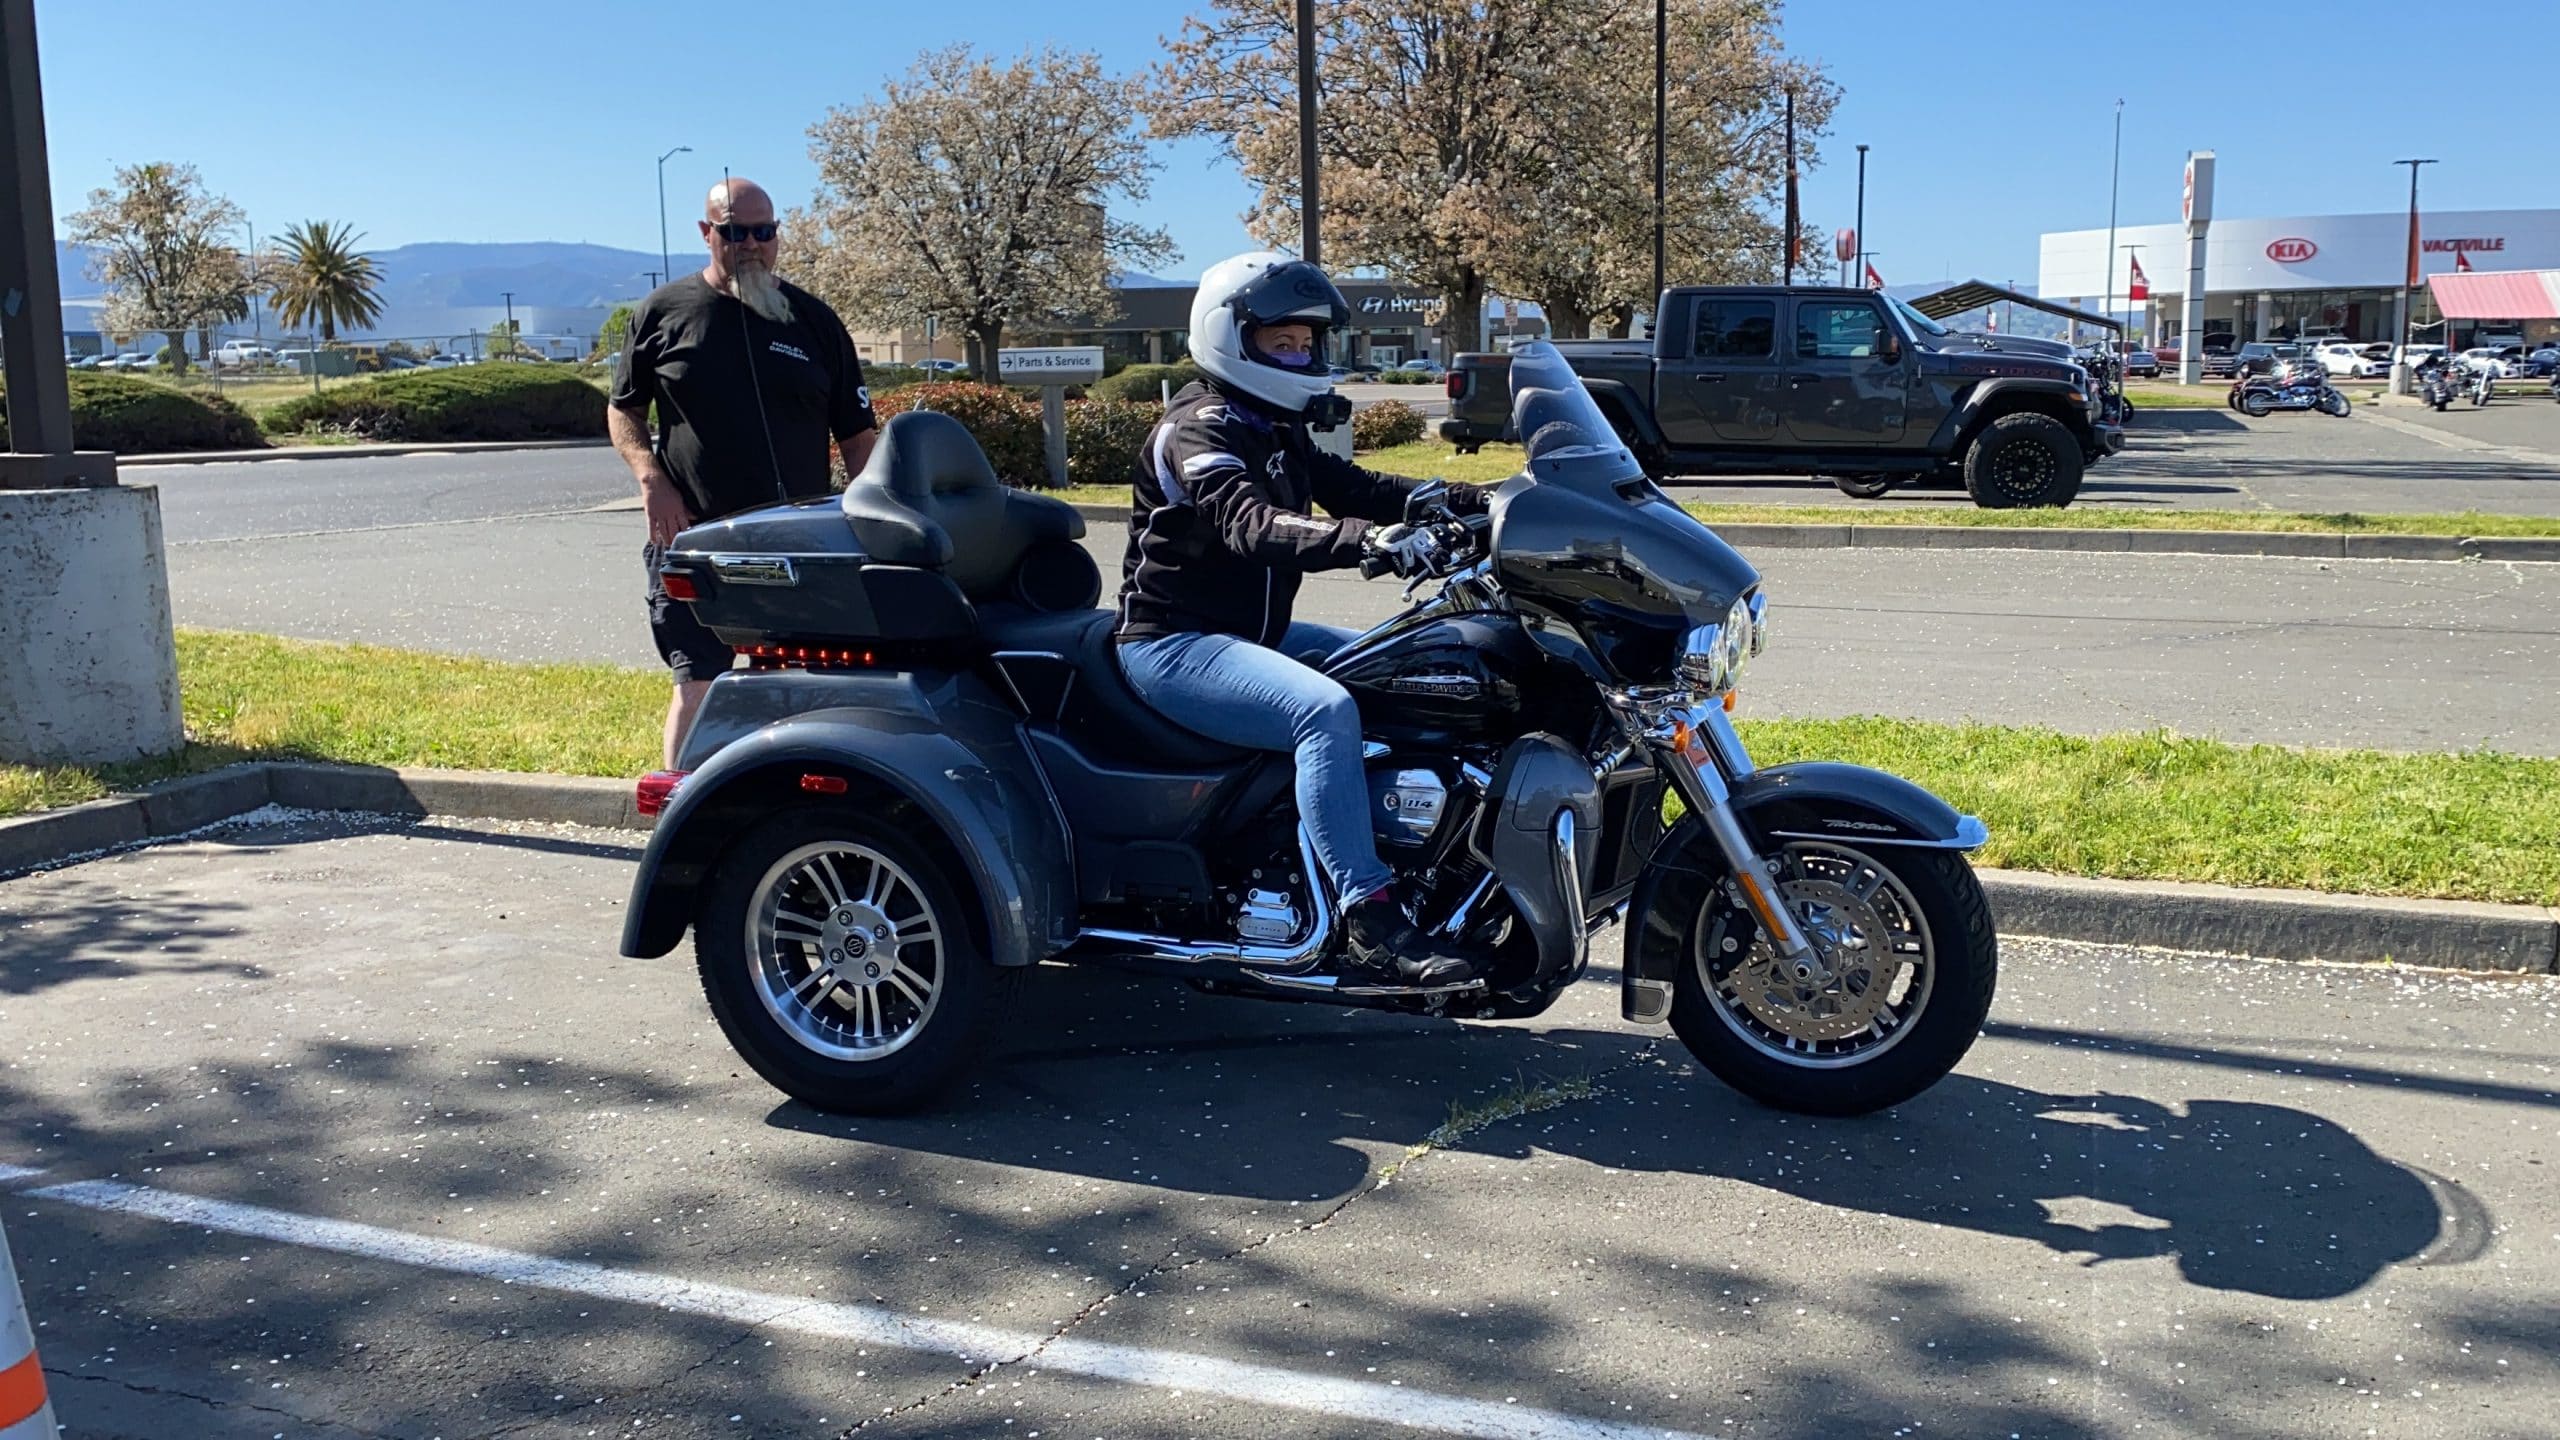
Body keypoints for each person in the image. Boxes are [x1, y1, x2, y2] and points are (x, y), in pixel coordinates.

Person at [1113, 251, 1487, 986]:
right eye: (1280, 341)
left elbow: (1361, 485)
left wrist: (1484, 501)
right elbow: (1252, 524)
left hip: (1254, 637)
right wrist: (1367, 542)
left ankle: (1430, 864)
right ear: (1232, 337)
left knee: (1416, 668)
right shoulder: (1199, 428)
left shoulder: (1273, 424)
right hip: (1172, 645)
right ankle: (1371, 916)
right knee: (1324, 712)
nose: (1299, 354)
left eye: (1306, 342)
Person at [608, 177, 880, 765]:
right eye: (734, 232)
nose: (751, 244)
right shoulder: (662, 313)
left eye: (764, 231)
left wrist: (864, 516)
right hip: (694, 538)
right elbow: (623, 410)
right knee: (698, 687)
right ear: (708, 234)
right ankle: (680, 813)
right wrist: (651, 481)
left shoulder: (814, 321)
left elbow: (858, 437)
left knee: (806, 688)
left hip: (800, 547)